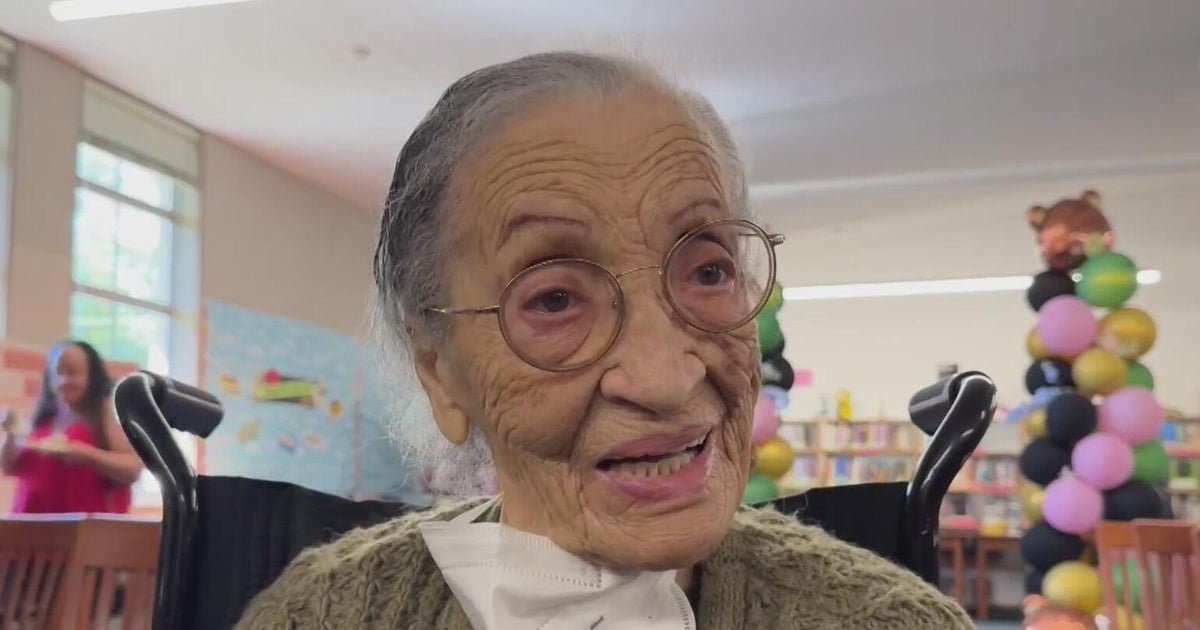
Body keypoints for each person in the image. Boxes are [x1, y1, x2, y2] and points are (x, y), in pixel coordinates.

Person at [236, 52, 972, 629]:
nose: (666, 377)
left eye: (709, 270)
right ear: (440, 373)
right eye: (555, 299)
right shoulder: (321, 615)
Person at [1, 340, 142, 513]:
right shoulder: (41, 419)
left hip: (81, 533)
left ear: (91, 377)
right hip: (29, 529)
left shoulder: (106, 416)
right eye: (57, 373)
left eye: (73, 373)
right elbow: (8, 466)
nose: (63, 381)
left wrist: (85, 454)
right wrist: (10, 432)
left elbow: (133, 469)